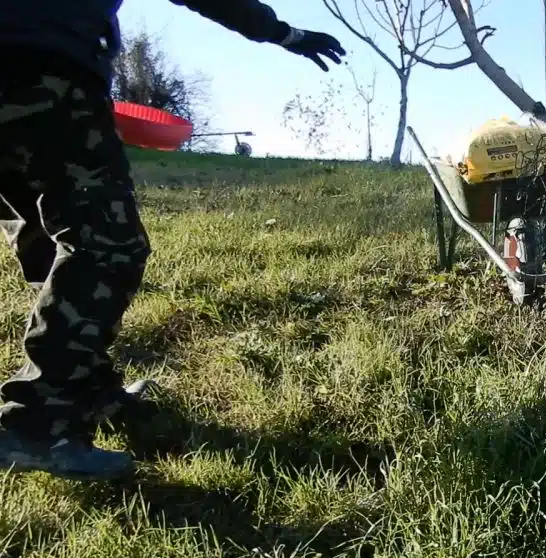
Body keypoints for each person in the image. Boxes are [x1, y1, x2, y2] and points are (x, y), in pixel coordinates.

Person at [0, 1, 345, 480]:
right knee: (105, 246)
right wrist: (283, 33)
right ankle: (38, 424)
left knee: (50, 244)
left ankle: (88, 392)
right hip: (41, 73)